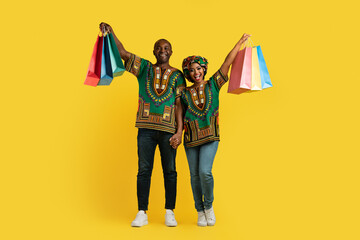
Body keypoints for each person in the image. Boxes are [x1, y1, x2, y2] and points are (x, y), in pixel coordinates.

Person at [99, 23, 186, 227]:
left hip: (168, 131)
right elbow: (122, 53)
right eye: (159, 48)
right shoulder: (145, 68)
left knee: (170, 170)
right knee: (144, 169)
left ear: (171, 52)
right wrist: (111, 32)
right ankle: (142, 212)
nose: (162, 51)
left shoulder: (178, 76)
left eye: (166, 48)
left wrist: (180, 132)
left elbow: (179, 105)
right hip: (145, 129)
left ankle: (169, 211)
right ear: (153, 51)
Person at [177, 34, 251, 226]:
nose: (196, 73)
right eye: (191, 70)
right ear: (188, 73)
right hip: (190, 138)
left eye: (199, 68)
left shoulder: (214, 85)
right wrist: (178, 133)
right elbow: (179, 113)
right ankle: (199, 211)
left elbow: (227, 62)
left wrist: (239, 43)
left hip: (210, 136)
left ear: (204, 69)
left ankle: (208, 206)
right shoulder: (184, 92)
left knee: (204, 172)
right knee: (193, 176)